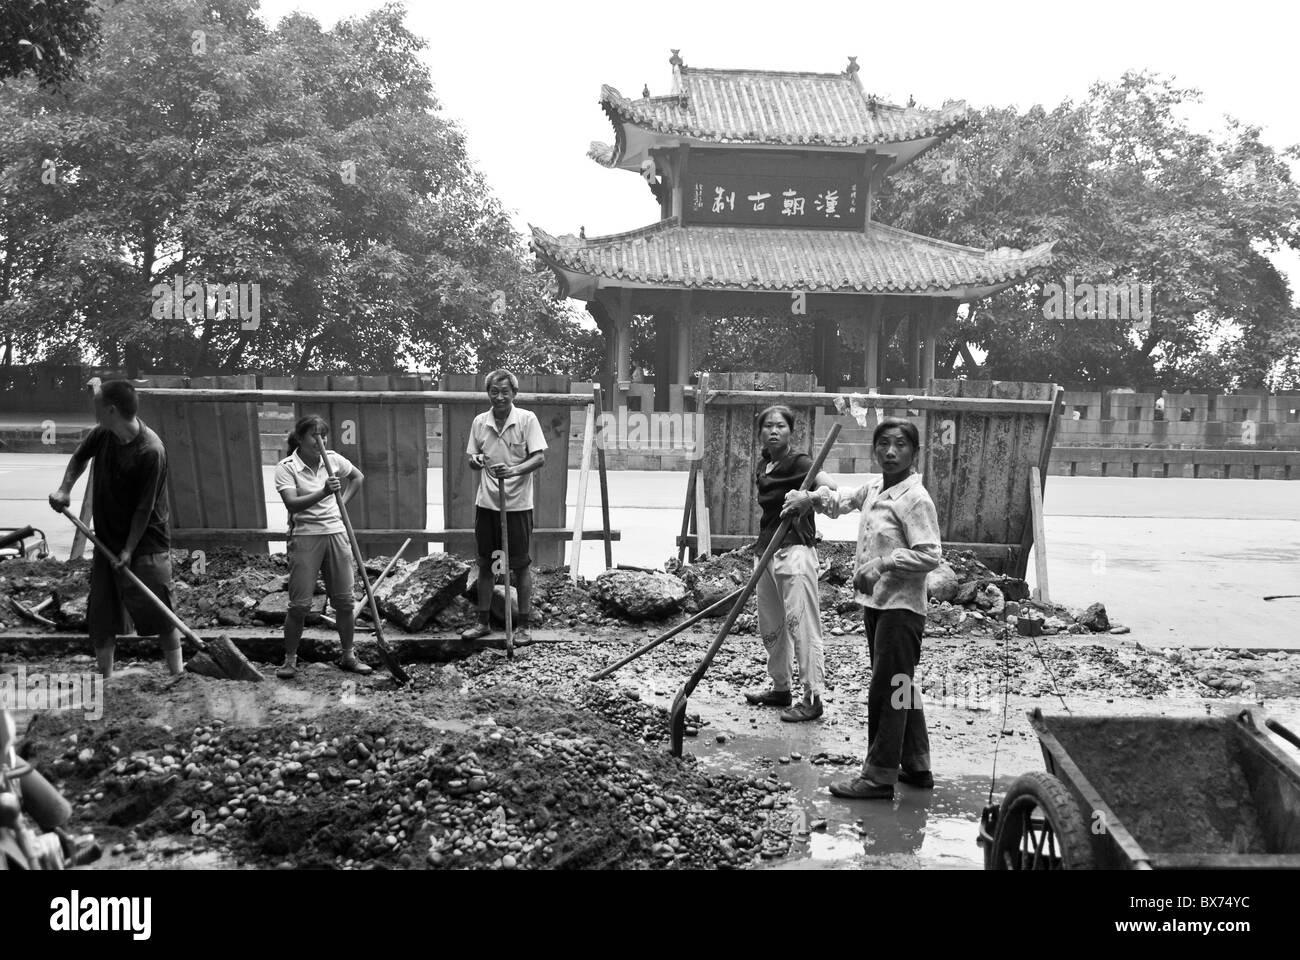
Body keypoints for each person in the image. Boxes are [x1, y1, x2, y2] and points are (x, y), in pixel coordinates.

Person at [784, 416, 942, 799]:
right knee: (900, 683)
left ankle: (878, 776)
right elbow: (841, 501)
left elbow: (931, 554)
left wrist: (882, 564)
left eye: (900, 445)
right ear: (874, 449)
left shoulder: (915, 499)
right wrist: (811, 500)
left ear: (915, 452)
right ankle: (917, 764)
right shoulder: (875, 488)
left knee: (885, 690)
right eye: (884, 444)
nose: (890, 452)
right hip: (877, 604)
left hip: (902, 609)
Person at [48, 379, 181, 679]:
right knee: (102, 615)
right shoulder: (103, 433)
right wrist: (64, 489)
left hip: (147, 544)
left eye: (96, 404)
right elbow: (79, 458)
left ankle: (178, 676)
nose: (92, 408)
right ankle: (106, 679)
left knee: (160, 612)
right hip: (107, 540)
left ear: (111, 410)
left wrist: (129, 550)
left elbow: (144, 509)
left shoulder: (151, 451)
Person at [743, 405, 836, 722]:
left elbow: (831, 489)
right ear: (760, 433)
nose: (773, 430)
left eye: (780, 426)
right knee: (772, 625)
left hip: (795, 552)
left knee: (802, 625)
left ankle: (812, 697)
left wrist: (806, 500)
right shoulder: (764, 465)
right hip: (766, 552)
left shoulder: (801, 462)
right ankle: (781, 688)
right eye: (767, 426)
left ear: (790, 431)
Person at [272, 415, 370, 678]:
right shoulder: (286, 467)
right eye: (314, 436)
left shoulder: (334, 459)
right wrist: (325, 493)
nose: (320, 441)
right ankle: (290, 660)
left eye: (323, 435)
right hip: (305, 536)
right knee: (300, 606)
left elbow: (358, 477)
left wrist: (341, 504)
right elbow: (292, 504)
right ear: (300, 438)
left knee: (345, 602)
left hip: (337, 533)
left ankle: (348, 656)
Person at [462, 369, 547, 643]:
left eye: (505, 392)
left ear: (514, 394)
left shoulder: (526, 419)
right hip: (487, 503)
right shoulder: (479, 422)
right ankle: (483, 622)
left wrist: (513, 471)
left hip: (518, 506)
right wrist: (475, 461)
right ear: (488, 393)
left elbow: (539, 458)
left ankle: (523, 626)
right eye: (494, 392)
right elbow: (472, 456)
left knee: (520, 565)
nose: (499, 397)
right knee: (487, 564)